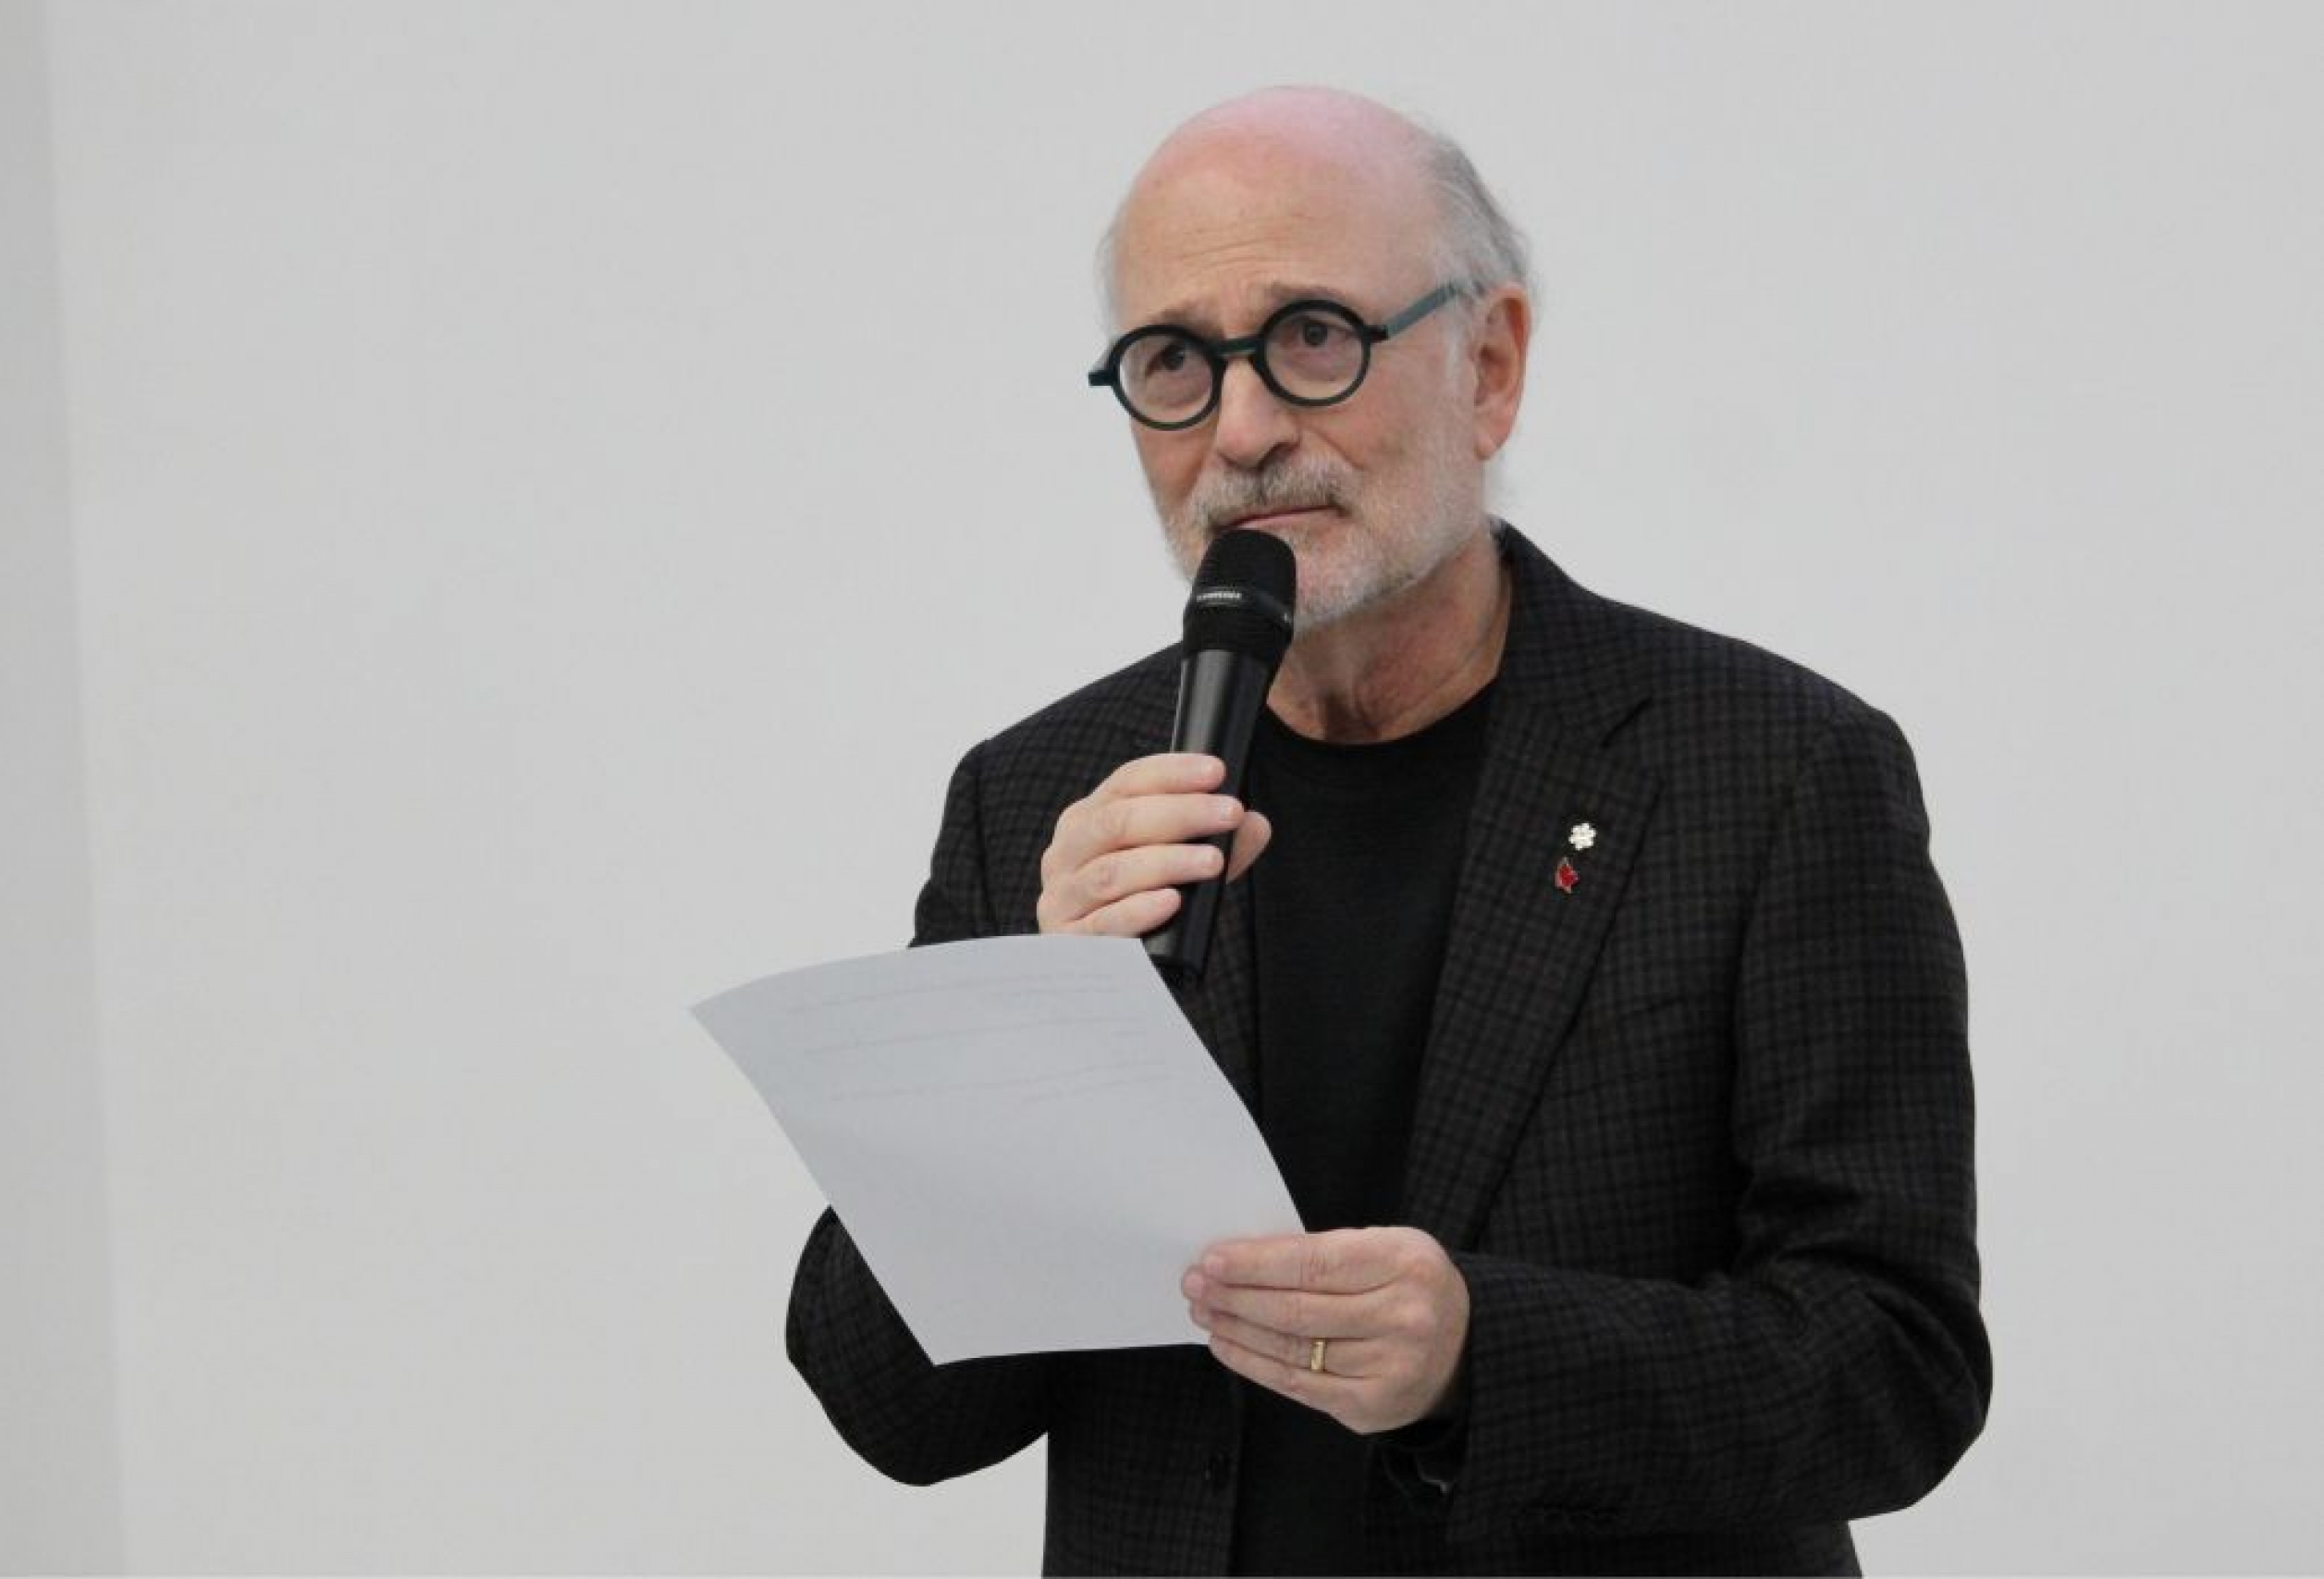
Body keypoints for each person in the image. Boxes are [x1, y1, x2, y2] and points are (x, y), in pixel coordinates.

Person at [787, 85, 1990, 1575]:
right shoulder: (1043, 796)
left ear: (1488, 367)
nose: (1240, 431)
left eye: (1311, 337)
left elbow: (1897, 1362)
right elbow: (891, 1408)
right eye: (1174, 359)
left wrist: (1484, 1356)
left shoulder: (1776, 771)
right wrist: (1028, 1030)